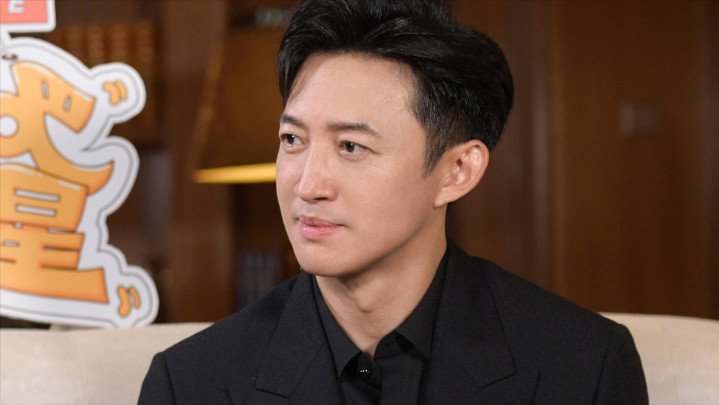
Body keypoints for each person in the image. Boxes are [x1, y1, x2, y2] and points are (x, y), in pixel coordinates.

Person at [139, 0, 648, 403]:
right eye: (292, 140)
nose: (308, 185)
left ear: (457, 171)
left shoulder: (584, 367)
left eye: (351, 147)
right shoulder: (191, 383)